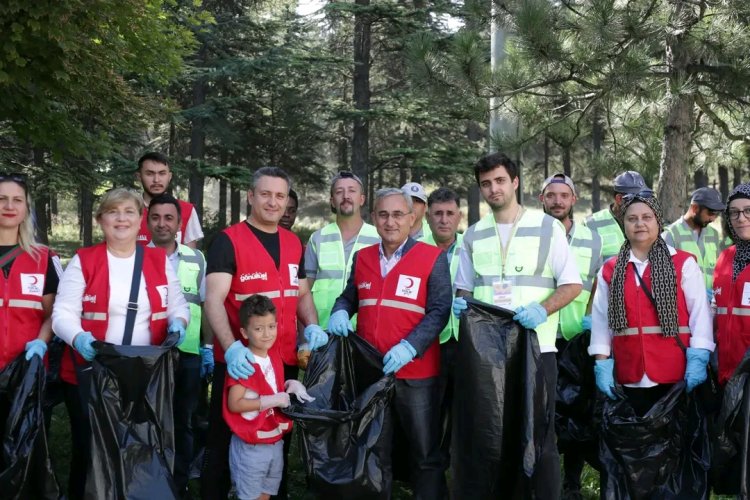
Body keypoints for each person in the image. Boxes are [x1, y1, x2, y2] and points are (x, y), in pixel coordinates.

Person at [453, 153, 582, 498]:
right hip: (487, 356)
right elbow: (464, 288)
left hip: (537, 347)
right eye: (485, 183)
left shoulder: (548, 228)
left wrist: (542, 309)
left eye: (499, 181)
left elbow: (572, 285)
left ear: (515, 182)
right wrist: (459, 302)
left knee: (539, 436)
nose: (493, 188)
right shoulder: (474, 235)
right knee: (493, 434)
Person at [52, 188, 190, 500]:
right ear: (101, 219)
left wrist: (178, 323)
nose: (121, 218)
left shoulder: (158, 260)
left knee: (143, 448)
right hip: (91, 375)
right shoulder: (84, 260)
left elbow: (178, 305)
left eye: (129, 211)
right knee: (90, 451)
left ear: (141, 219)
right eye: (113, 212)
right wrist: (78, 338)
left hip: (145, 375)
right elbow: (62, 314)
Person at [202, 166, 327, 500]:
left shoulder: (293, 242)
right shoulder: (228, 241)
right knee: (225, 439)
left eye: (280, 196)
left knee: (276, 440)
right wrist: (230, 349)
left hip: (282, 360)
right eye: (266, 194)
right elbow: (212, 300)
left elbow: (301, 294)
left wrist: (311, 324)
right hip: (241, 362)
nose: (274, 202)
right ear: (251, 196)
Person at [329, 187, 452, 499]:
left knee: (424, 453)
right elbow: (348, 297)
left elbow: (440, 310)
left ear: (412, 219)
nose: (390, 221)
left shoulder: (431, 258)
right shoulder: (363, 258)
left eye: (398, 214)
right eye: (383, 214)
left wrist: (410, 346)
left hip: (418, 374)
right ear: (374, 218)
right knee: (375, 449)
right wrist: (341, 311)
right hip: (372, 374)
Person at [538, 173, 602, 499]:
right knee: (542, 406)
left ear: (574, 200)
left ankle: (572, 481)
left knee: (576, 406)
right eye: (551, 195)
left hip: (577, 335)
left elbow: (598, 282)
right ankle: (538, 474)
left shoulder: (593, 239)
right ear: (541, 200)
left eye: (564, 195)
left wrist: (592, 318)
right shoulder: (532, 233)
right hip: (542, 334)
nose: (558, 201)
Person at [147, 193, 210, 496]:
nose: (162, 224)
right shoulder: (136, 255)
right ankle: (149, 477)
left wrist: (207, 347)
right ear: (147, 221)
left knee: (183, 420)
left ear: (179, 223)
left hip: (188, 353)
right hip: (148, 354)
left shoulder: (196, 258)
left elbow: (206, 304)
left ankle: (180, 480)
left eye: (168, 218)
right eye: (156, 217)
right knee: (149, 418)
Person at [225, 295, 314, 500]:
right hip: (251, 445)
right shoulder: (244, 363)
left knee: (266, 494)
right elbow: (234, 403)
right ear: (244, 332)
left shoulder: (273, 355)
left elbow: (270, 386)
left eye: (271, 327)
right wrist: (271, 401)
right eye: (258, 329)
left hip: (274, 441)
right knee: (249, 496)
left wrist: (290, 386)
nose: (267, 334)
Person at [419, 187, 462, 470]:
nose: (444, 220)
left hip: (463, 340)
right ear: (427, 216)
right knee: (428, 407)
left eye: (449, 213)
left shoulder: (472, 248)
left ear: (459, 217)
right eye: (438, 214)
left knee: (461, 408)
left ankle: (456, 464)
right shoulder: (415, 249)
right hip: (426, 342)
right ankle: (426, 465)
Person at [305, 171, 379, 330]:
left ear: (362, 199)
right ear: (332, 201)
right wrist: (306, 337)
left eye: (352, 191)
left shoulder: (378, 238)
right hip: (322, 332)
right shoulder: (317, 238)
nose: (346, 196)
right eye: (339, 192)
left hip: (364, 334)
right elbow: (304, 293)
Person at [713, 183, 750, 385]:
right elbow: (718, 305)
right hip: (727, 372)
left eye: (748, 211)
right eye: (734, 213)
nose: (741, 218)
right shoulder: (725, 257)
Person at [662, 187, 725, 297]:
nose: (713, 218)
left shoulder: (713, 234)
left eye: (717, 214)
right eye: (711, 213)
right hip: (684, 307)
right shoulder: (671, 235)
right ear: (695, 208)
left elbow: (719, 270)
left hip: (711, 306)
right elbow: (664, 278)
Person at [135, 152, 204, 248]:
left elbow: (190, 256)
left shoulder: (187, 210)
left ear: (169, 176)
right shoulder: (129, 210)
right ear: (139, 176)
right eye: (150, 174)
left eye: (162, 173)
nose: (156, 180)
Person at [585, 170, 647, 261]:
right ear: (619, 199)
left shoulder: (649, 223)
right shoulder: (591, 224)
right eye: (635, 199)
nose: (641, 203)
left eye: (643, 197)